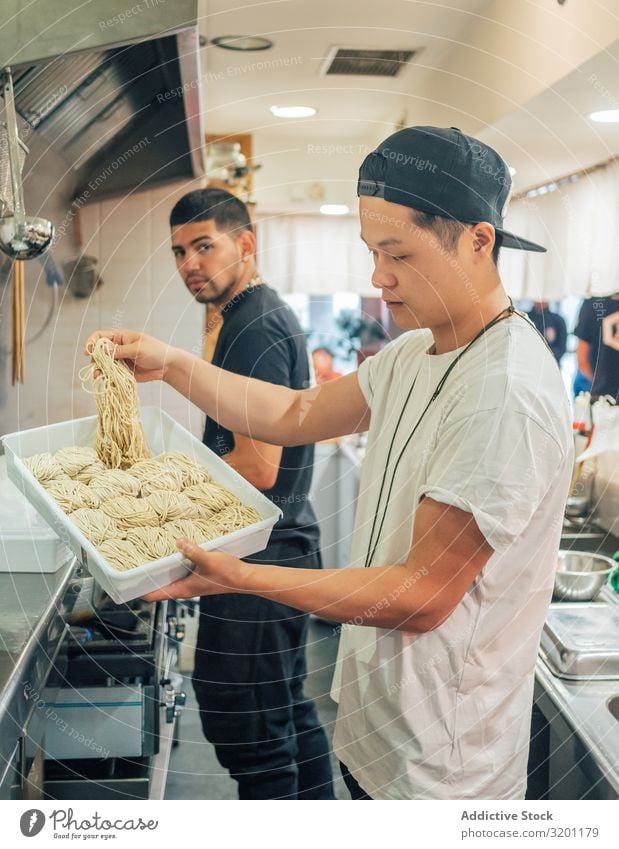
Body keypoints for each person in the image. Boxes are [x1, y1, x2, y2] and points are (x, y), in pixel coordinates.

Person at [86, 126, 573, 800]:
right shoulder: (413, 354)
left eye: (396, 253)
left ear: (477, 239)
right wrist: (172, 365)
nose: (377, 276)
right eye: (371, 251)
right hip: (378, 730)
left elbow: (419, 596)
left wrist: (242, 576)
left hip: (442, 770)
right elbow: (294, 415)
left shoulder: (504, 391)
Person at [167, 187, 334, 800]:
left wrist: (163, 492)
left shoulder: (252, 327)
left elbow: (258, 467)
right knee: (284, 715)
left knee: (251, 733)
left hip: (262, 556)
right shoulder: (250, 316)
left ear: (246, 243)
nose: (190, 263)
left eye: (204, 246)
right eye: (181, 251)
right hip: (279, 549)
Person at [574, 293, 619, 402]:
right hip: (603, 396)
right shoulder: (592, 302)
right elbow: (582, 359)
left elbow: (582, 359)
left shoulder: (593, 302)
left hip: (602, 395)